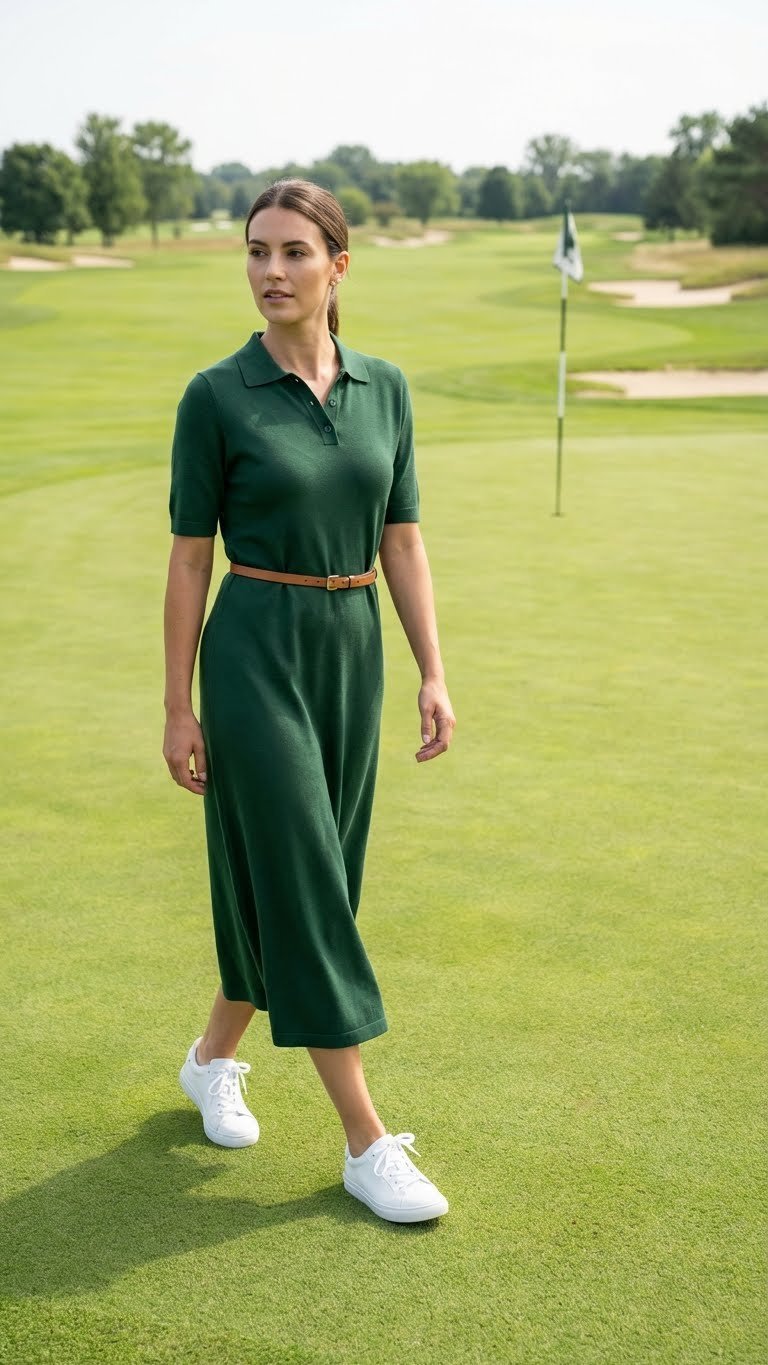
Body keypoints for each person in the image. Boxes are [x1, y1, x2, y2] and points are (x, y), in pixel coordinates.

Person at [162, 178, 456, 1224]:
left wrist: (431, 669)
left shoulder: (388, 389)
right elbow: (190, 561)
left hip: (352, 649)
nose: (270, 272)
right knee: (302, 880)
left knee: (316, 875)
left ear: (339, 265)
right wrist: (177, 704)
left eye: (293, 252)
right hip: (252, 652)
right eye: (255, 252)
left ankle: (210, 1059)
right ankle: (366, 1142)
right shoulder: (216, 395)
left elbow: (403, 538)